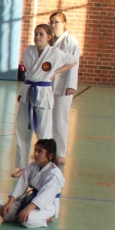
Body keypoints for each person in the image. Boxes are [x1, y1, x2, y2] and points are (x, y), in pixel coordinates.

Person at [13, 23, 77, 176]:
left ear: (49, 37)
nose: (37, 37)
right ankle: (22, 166)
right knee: (23, 130)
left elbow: (73, 61)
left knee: (44, 131)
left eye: (41, 34)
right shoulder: (28, 51)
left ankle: (45, 165)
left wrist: (55, 71)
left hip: (43, 93)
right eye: (36, 34)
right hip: (28, 91)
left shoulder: (56, 53)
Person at [0, 138, 64, 228]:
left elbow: (45, 197)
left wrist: (27, 209)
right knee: (6, 214)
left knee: (26, 220)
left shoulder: (54, 174)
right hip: (32, 198)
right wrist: (10, 202)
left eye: (40, 151)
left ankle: (46, 219)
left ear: (50, 155)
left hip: (47, 204)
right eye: (35, 150)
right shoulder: (32, 166)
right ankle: (30, 216)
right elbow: (21, 185)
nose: (36, 154)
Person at [48, 11, 81, 166]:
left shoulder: (70, 41)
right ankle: (49, 150)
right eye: (51, 22)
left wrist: (71, 85)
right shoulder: (50, 41)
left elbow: (74, 64)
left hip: (63, 85)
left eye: (57, 22)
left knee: (60, 119)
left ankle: (61, 153)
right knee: (48, 119)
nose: (53, 25)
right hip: (48, 84)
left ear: (64, 24)